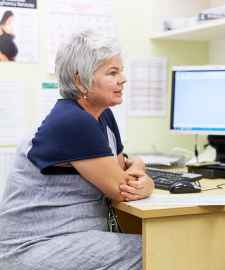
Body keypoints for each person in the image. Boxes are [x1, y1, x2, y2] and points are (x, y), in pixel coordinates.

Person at [0, 30, 154, 270]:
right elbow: (123, 190)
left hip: (69, 238)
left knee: (155, 244)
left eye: (121, 71)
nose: (123, 79)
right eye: (112, 73)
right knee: (156, 249)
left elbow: (118, 168)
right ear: (80, 80)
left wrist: (136, 165)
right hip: (34, 247)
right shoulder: (73, 121)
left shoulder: (102, 115)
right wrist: (145, 176)